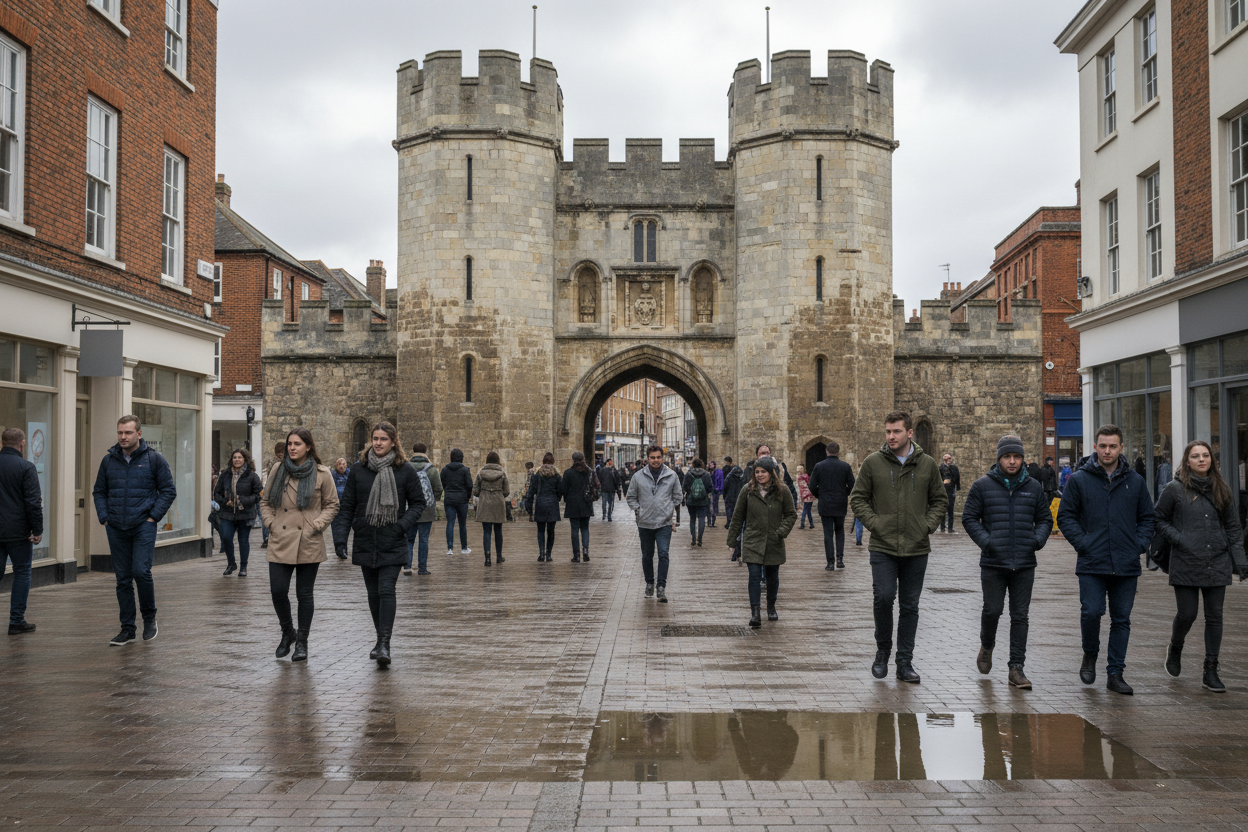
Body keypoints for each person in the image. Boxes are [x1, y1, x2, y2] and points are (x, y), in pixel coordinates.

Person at [1057, 424, 1155, 695]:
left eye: (1113, 446)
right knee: (1091, 612)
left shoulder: (1134, 481)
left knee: (1121, 618)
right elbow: (1065, 516)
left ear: (1121, 448)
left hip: (1126, 562)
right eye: (1103, 446)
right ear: (1095, 447)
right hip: (1092, 562)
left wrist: (1138, 544)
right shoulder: (1079, 480)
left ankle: (1115, 673)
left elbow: (1148, 518)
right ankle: (1090, 654)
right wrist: (1083, 542)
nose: (1108, 450)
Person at [849, 411, 946, 684]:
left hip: (916, 548)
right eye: (888, 432)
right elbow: (858, 499)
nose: (891, 437)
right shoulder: (873, 463)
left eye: (896, 432)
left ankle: (904, 662)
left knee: (910, 606)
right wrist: (876, 524)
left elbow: (939, 500)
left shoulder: (927, 465)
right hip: (883, 546)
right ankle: (882, 652)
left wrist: (926, 526)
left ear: (909, 433)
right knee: (883, 597)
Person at [961, 435, 1053, 690]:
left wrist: (1036, 541)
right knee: (992, 610)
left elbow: (1045, 519)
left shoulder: (1033, 487)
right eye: (1007, 457)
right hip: (993, 563)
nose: (1012, 461)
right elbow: (969, 518)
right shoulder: (982, 486)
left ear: (1022, 459)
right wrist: (987, 542)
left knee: (1020, 615)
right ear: (999, 458)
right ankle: (987, 645)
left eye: (1017, 457)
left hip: (1024, 563)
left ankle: (1016, 668)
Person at [1154, 440, 1247, 693]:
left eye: (1206, 455)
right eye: (1195, 456)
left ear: (1211, 460)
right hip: (1185, 560)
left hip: (1217, 560)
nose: (1202, 460)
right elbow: (1158, 519)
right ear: (1187, 461)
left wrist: (1240, 561)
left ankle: (1210, 669)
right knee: (1188, 614)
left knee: (1215, 616)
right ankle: (1176, 646)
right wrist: (1180, 538)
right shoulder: (1174, 489)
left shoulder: (1222, 489)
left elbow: (1233, 527)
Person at [338, 422, 424, 667]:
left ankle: (384, 642)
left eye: (383, 439)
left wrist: (400, 526)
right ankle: (380, 639)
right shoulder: (359, 470)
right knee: (373, 594)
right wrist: (342, 536)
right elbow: (348, 506)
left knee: (386, 589)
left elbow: (418, 503)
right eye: (375, 438)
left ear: (393, 442)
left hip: (392, 539)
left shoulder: (405, 470)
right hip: (366, 537)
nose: (378, 443)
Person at [93, 415, 176, 646]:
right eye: (120, 432)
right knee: (122, 579)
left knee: (140, 571)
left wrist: (152, 518)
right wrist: (104, 518)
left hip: (143, 526)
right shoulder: (109, 461)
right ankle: (127, 629)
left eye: (128, 433)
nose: (123, 437)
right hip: (116, 527)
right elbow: (99, 491)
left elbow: (168, 490)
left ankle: (149, 618)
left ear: (139, 434)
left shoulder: (153, 459)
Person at [260, 428, 339, 662]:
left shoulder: (322, 473)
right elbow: (265, 502)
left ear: (308, 447)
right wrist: (270, 524)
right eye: (289, 444)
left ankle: (302, 641)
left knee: (304, 594)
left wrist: (316, 525)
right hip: (280, 537)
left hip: (308, 539)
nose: (292, 448)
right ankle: (287, 632)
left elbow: (332, 505)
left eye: (297, 444)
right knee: (277, 591)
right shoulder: (278, 469)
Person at [726, 456, 797, 628]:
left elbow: (791, 514)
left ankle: (771, 606)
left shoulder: (782, 490)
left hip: (774, 540)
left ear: (771, 473)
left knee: (772, 578)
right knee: (754, 576)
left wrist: (781, 532)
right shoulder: (748, 490)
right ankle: (755, 613)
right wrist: (732, 541)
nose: (759, 475)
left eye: (763, 472)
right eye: (756, 472)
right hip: (752, 540)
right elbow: (737, 516)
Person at [627, 445, 684, 602]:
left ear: (662, 458)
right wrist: (638, 510)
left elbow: (678, 496)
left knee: (663, 554)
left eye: (658, 457)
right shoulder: (638, 477)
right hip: (644, 523)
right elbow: (630, 497)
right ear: (647, 459)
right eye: (652, 457)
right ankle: (649, 582)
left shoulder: (671, 475)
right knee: (647, 555)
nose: (656, 460)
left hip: (664, 523)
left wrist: (668, 508)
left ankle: (661, 586)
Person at [0, 428, 42, 635]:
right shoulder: (26, 467)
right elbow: (33, 502)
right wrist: (38, 529)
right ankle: (16, 621)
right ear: (22, 443)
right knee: (22, 572)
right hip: (18, 531)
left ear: (2, 442)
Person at [213, 448, 262, 577]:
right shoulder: (225, 475)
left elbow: (259, 495)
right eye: (235, 457)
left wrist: (243, 500)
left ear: (245, 459)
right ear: (231, 460)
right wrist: (224, 502)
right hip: (227, 513)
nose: (237, 460)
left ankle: (243, 567)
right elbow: (216, 493)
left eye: (240, 457)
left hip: (246, 513)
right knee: (226, 537)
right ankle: (231, 563)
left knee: (243, 540)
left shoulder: (252, 476)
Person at [809, 442, 855, 570]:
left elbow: (812, 486)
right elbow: (852, 485)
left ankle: (830, 562)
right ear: (838, 452)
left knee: (828, 533)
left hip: (825, 504)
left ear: (826, 451)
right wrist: (844, 494)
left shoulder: (819, 466)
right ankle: (840, 559)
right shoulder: (845, 466)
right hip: (840, 503)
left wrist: (820, 495)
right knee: (840, 531)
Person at [405, 443, 443, 576]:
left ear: (413, 452)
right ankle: (422, 568)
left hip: (409, 508)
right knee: (424, 539)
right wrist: (432, 500)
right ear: (425, 452)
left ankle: (407, 566)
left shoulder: (405, 467)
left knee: (409, 539)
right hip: (426, 508)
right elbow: (438, 488)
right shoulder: (431, 469)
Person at [473, 451, 510, 565]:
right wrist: (499, 494)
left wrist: (483, 494)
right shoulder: (502, 473)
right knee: (498, 530)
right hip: (498, 502)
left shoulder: (480, 473)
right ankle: (499, 557)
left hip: (485, 503)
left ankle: (487, 558)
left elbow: (475, 490)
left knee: (486, 531)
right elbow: (507, 491)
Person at [525, 453, 563, 562]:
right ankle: (549, 554)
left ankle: (541, 553)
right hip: (552, 504)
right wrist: (557, 499)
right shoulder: (556, 475)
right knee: (551, 531)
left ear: (543, 461)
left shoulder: (537, 475)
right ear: (553, 462)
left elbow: (532, 490)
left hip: (540, 503)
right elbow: (560, 490)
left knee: (540, 530)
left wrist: (530, 506)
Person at [561, 451, 596, 562]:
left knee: (574, 529)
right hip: (586, 503)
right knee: (585, 528)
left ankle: (576, 555)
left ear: (573, 460)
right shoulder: (589, 472)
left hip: (573, 504)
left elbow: (563, 489)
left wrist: (567, 498)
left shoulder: (568, 473)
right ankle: (585, 551)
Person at [440, 448, 473, 556]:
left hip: (449, 499)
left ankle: (450, 548)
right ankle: (464, 547)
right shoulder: (465, 470)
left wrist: (448, 491)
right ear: (461, 458)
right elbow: (469, 485)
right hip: (462, 499)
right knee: (462, 524)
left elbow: (442, 483)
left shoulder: (445, 469)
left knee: (450, 523)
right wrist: (467, 497)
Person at [259, 441, 286, 549]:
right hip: (274, 493)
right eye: (280, 452)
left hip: (279, 494)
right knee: (270, 515)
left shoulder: (275, 462)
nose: (281, 454)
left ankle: (271, 537)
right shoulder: (275, 464)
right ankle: (267, 537)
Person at [682, 459, 713, 547]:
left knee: (692, 519)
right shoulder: (706, 474)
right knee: (701, 518)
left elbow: (684, 487)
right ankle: (700, 539)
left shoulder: (688, 474)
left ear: (693, 465)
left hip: (691, 500)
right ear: (702, 464)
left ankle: (693, 539)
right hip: (703, 500)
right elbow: (710, 487)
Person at [331, 457, 351, 560]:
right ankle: (339, 548)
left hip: (348, 505)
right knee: (337, 528)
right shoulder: (332, 476)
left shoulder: (350, 474)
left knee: (346, 528)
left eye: (344, 464)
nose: (342, 466)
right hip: (336, 505)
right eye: (340, 464)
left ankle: (344, 548)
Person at [938, 453, 961, 533]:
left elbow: (957, 477)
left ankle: (950, 528)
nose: (951, 460)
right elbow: (937, 479)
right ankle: (942, 527)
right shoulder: (940, 468)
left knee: (950, 509)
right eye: (949, 459)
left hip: (951, 490)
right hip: (943, 490)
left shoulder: (954, 468)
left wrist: (955, 485)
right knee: (943, 509)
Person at [722, 456, 743, 527]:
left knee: (729, 510)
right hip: (738, 495)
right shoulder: (741, 476)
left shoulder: (729, 476)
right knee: (736, 510)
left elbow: (725, 486)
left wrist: (724, 495)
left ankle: (729, 522)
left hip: (729, 495)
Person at [796, 465, 813, 530]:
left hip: (805, 495)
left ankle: (802, 524)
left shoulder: (799, 477)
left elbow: (800, 488)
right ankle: (811, 524)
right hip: (809, 495)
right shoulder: (806, 476)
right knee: (808, 510)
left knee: (805, 510)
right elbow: (809, 483)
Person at [709, 461, 724, 527]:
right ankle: (709, 521)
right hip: (709, 491)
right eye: (709, 464)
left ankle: (713, 522)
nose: (710, 465)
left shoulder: (718, 472)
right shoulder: (707, 473)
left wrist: (719, 489)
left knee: (714, 506)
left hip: (715, 491)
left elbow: (721, 480)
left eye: (712, 464)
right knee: (709, 506)